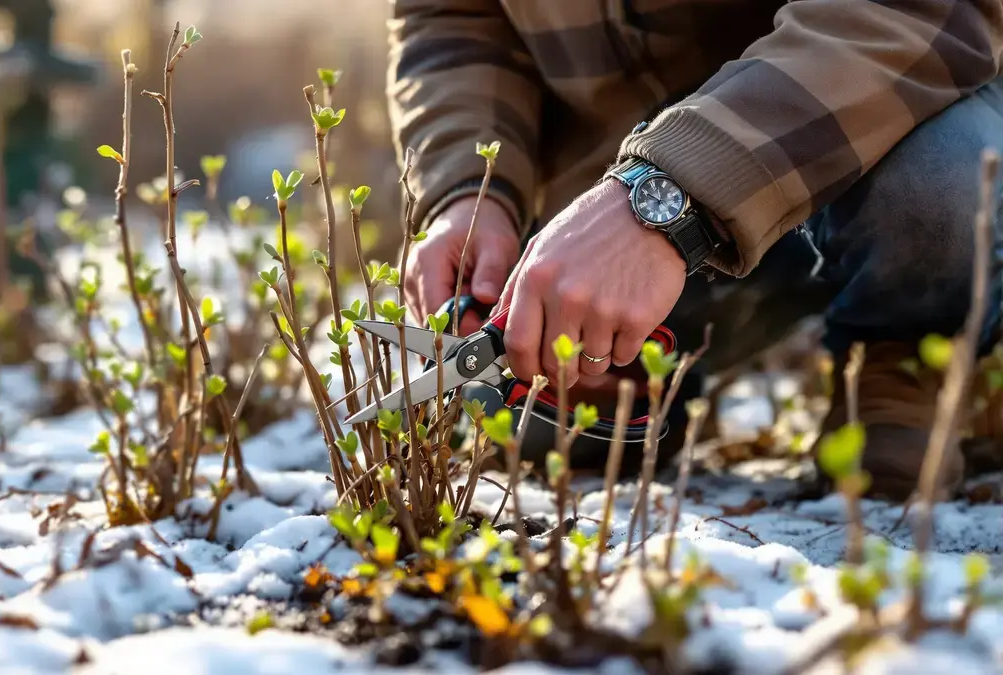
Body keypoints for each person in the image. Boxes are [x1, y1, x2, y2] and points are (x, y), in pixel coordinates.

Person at [387, 0, 1003, 501]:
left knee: (940, 182)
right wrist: (468, 191)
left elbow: (912, 12)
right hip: (608, 207)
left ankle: (902, 357)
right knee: (565, 440)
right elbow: (453, 18)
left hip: (867, 151)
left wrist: (668, 196)